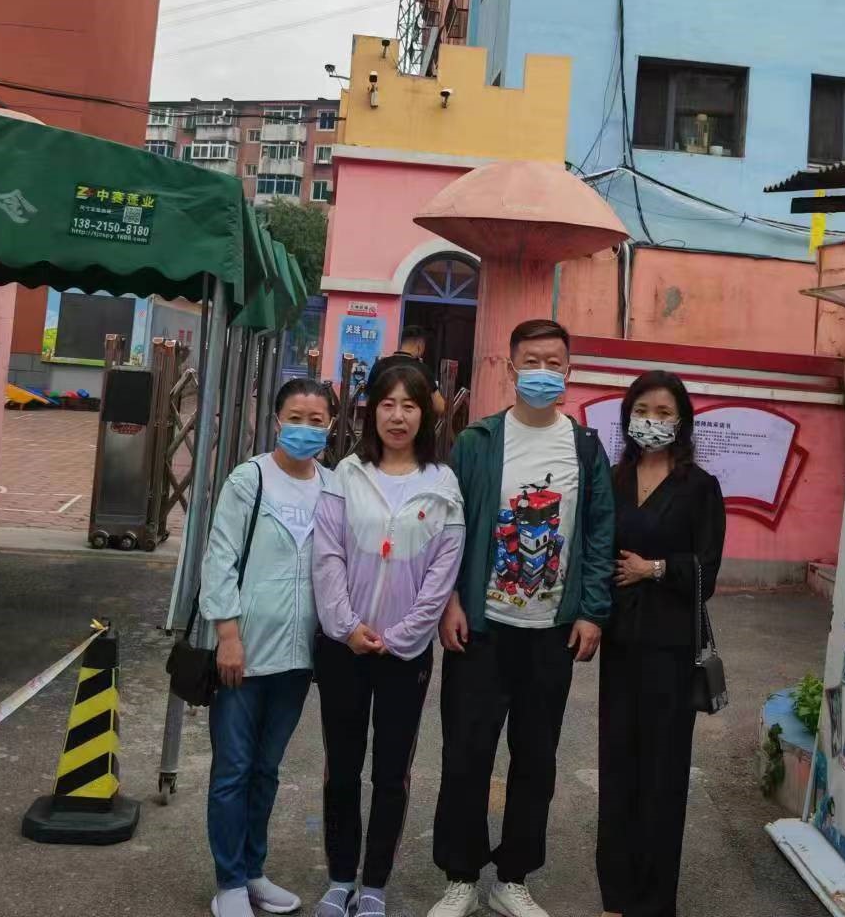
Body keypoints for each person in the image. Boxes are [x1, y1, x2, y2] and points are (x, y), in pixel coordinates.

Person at [429, 318, 615, 917]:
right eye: (531, 361)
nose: (542, 372)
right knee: (466, 755)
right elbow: (449, 530)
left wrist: (591, 611)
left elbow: (599, 533)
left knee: (536, 760)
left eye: (553, 362)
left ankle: (513, 878)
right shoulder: (477, 442)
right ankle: (460, 875)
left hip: (551, 633)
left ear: (569, 371)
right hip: (481, 630)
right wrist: (450, 601)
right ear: (511, 369)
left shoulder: (584, 448)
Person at [312, 364, 465, 917]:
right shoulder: (345, 476)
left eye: (410, 405)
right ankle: (339, 879)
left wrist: (402, 636)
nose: (398, 417)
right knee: (342, 767)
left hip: (406, 655)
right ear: (370, 411)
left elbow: (443, 573)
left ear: (425, 415)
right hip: (343, 648)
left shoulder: (442, 485)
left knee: (391, 772)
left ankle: (374, 884)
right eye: (387, 404)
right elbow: (327, 556)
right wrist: (346, 626)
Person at [200, 379, 337, 917]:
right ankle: (229, 883)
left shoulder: (332, 486)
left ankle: (254, 871)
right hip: (246, 652)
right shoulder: (250, 479)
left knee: (266, 769)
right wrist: (228, 637)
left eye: (316, 420)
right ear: (277, 420)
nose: (305, 428)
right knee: (232, 770)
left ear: (331, 425)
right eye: (295, 417)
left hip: (299, 657)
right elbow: (220, 559)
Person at [595, 371, 725, 917]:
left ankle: (653, 902)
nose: (652, 420)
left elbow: (707, 572)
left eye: (664, 411)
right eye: (643, 410)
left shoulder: (699, 487)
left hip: (671, 651)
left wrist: (653, 569)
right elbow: (596, 549)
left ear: (682, 421)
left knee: (663, 774)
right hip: (620, 645)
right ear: (628, 417)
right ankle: (615, 896)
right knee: (617, 768)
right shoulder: (613, 479)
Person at [368, 325, 446, 418]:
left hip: (383, 423)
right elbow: (439, 407)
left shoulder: (379, 365)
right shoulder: (422, 370)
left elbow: (369, 399)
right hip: (410, 424)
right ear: (420, 345)